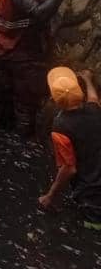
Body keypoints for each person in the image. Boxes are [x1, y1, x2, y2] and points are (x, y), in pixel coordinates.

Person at [0, 0, 78, 136]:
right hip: (22, 55)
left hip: (5, 50)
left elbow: (25, 3)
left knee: (6, 100)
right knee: (26, 104)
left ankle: (0, 133)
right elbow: (40, 13)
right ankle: (20, 144)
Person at [41, 67, 101, 223]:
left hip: (91, 194)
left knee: (91, 226)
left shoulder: (60, 127)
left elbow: (69, 168)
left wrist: (50, 195)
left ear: (54, 99)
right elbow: (93, 98)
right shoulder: (94, 110)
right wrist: (87, 79)